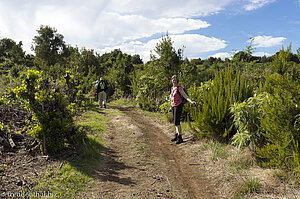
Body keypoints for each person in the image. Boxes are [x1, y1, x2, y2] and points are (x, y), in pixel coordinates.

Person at [169, 75, 196, 144]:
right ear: (171, 81)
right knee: (175, 122)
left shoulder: (179, 88)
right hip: (173, 106)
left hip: (178, 106)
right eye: (173, 79)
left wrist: (191, 101)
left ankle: (180, 137)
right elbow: (172, 99)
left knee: (177, 122)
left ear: (177, 80)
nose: (174, 80)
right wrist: (170, 107)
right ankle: (177, 135)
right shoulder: (172, 88)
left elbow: (185, 96)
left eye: (175, 79)